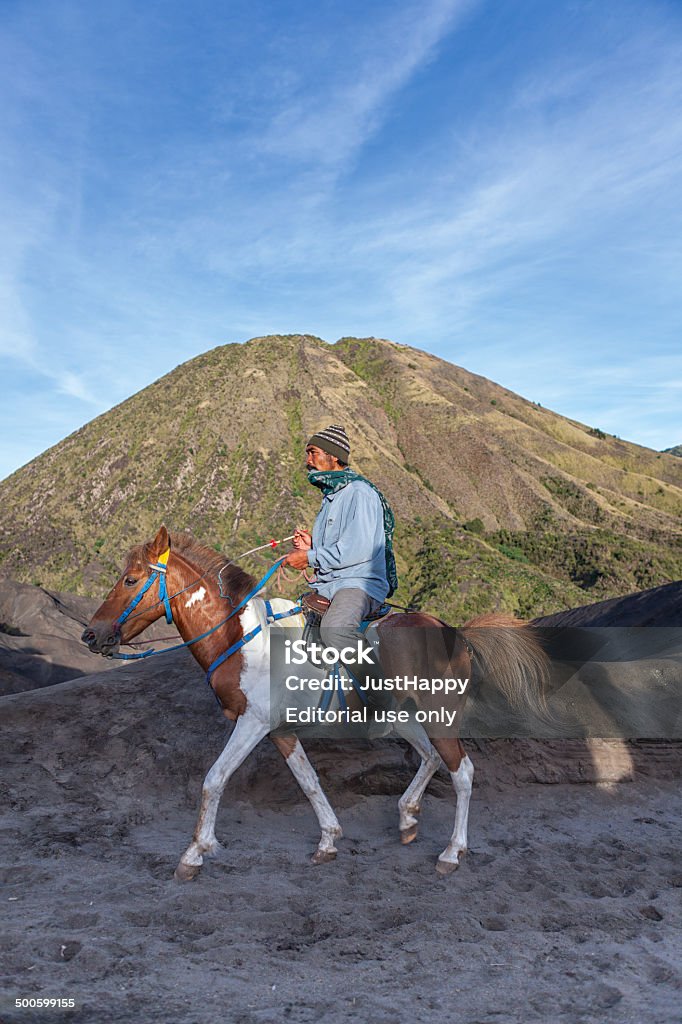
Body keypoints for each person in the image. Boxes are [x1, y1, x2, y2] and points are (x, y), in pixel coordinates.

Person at [281, 424, 397, 729]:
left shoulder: (359, 492)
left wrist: (308, 557)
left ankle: (382, 699)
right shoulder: (331, 497)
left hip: (360, 583)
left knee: (335, 631)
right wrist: (312, 547)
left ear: (334, 457)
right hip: (333, 583)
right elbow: (336, 550)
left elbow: (356, 550)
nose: (307, 459)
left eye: (313, 452)